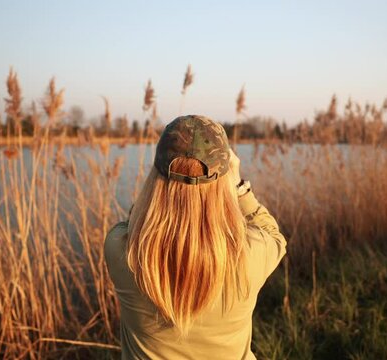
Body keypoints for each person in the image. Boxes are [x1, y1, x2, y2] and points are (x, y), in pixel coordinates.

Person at [104, 115, 286, 359]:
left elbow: (136, 220)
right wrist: (239, 186)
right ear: (224, 178)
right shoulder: (250, 255)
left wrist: (160, 191)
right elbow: (274, 236)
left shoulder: (121, 249)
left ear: (157, 176)